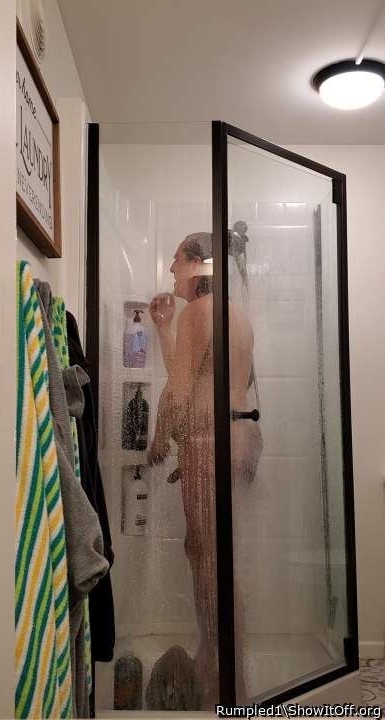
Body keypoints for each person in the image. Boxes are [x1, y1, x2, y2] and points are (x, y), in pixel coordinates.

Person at [148, 226, 262, 709]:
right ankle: (222, 663)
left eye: (178, 259)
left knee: (207, 561)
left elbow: (178, 391)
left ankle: (219, 674)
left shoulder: (199, 311)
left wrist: (159, 440)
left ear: (198, 264)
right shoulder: (234, 312)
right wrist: (163, 329)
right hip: (230, 441)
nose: (172, 268)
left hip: (207, 445)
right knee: (211, 555)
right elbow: (207, 380)